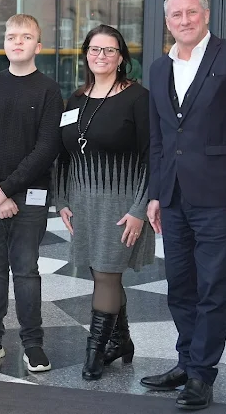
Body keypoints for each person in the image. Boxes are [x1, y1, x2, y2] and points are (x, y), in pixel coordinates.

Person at [141, 0, 226, 411]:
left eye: (191, 12)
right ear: (167, 21)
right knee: (180, 286)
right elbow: (158, 138)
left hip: (220, 197)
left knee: (213, 287)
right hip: (174, 197)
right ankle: (185, 361)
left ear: (206, 14)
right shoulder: (159, 68)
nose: (184, 20)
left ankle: (201, 375)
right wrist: (156, 194)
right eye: (176, 15)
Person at [0, 14, 63, 372]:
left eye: (26, 37)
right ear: (4, 43)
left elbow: (47, 148)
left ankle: (33, 344)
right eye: (10, 36)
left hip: (29, 195)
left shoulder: (49, 91)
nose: (17, 42)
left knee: (26, 270)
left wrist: (7, 189)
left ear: (38, 45)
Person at [55, 25, 154, 381]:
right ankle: (121, 341)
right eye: (95, 50)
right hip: (83, 204)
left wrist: (138, 210)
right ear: (85, 54)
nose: (101, 56)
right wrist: (62, 200)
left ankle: (94, 352)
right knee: (101, 273)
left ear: (122, 57)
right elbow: (64, 157)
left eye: (110, 50)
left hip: (122, 205)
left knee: (107, 276)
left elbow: (151, 157)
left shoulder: (137, 98)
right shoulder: (76, 99)